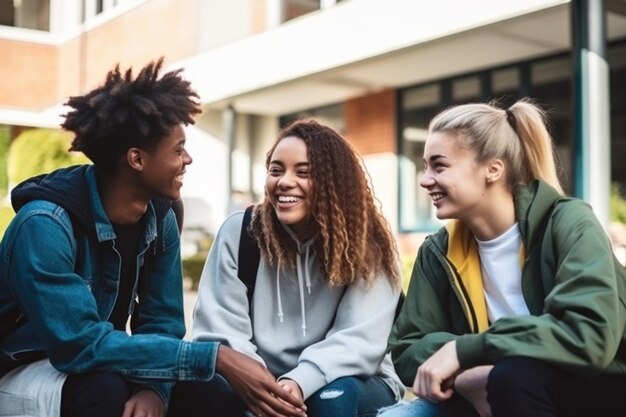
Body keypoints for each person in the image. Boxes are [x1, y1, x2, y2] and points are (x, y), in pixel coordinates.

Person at [0, 58, 305, 417]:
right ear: (136, 159)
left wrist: (154, 389)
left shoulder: (161, 216)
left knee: (210, 390)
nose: (188, 159)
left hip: (100, 362)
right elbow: (78, 345)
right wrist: (217, 356)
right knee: (105, 390)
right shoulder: (45, 226)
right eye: (178, 149)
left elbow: (162, 321)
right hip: (20, 371)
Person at [377, 99, 626, 417]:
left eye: (439, 166)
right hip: (483, 391)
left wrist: (465, 351)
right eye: (425, 166)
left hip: (598, 387)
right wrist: (468, 375)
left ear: (493, 169)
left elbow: (587, 334)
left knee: (512, 378)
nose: (425, 180)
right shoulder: (439, 251)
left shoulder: (569, 222)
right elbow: (408, 349)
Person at [191, 118, 406, 417]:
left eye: (303, 172)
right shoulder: (241, 233)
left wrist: (300, 380)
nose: (284, 182)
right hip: (259, 376)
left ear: (334, 181)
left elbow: (359, 341)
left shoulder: (369, 244)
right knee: (202, 386)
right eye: (276, 170)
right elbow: (221, 331)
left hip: (351, 379)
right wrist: (266, 390)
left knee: (333, 397)